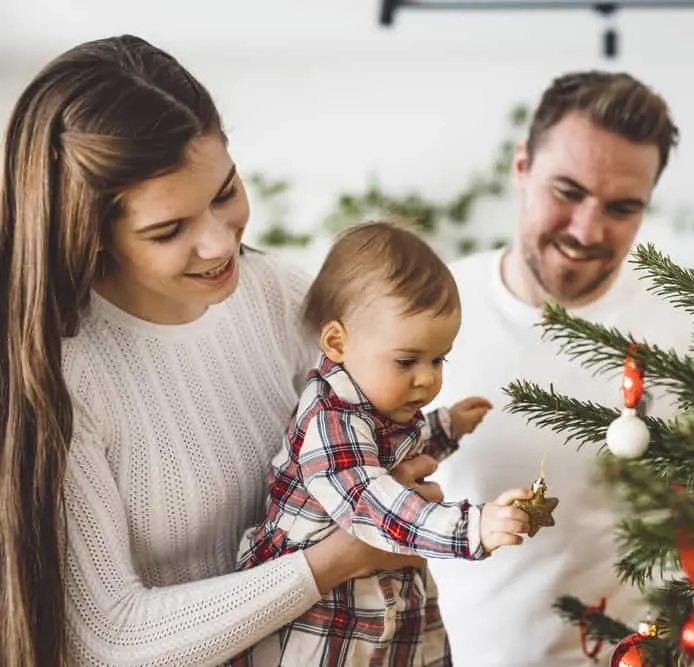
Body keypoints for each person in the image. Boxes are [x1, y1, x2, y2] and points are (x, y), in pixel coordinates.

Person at [0, 35, 440, 667]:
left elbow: (365, 445)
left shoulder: (285, 297)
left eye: (225, 192)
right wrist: (341, 557)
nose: (218, 245)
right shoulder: (58, 375)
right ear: (90, 235)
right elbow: (108, 640)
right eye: (169, 230)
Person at [425, 71, 694, 667]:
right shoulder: (426, 313)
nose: (587, 231)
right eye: (567, 192)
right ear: (522, 166)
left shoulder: (687, 341)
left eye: (622, 208)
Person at [231, 220, 535, 666]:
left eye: (438, 359)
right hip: (323, 623)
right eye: (407, 360)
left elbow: (394, 451)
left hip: (382, 605)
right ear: (337, 341)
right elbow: (373, 502)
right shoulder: (329, 418)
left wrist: (445, 428)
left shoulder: (378, 408)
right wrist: (472, 527)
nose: (428, 378)